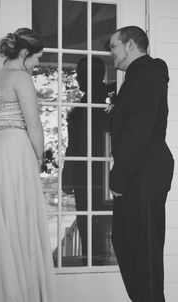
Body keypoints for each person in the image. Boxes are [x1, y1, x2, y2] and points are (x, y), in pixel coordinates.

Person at [0, 28, 57, 302]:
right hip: (15, 153)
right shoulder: (21, 77)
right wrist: (38, 159)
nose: (37, 64)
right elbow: (34, 124)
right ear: (24, 53)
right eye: (36, 58)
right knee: (21, 224)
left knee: (2, 228)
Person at [109, 25, 174, 302]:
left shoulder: (145, 77)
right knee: (128, 249)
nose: (111, 53)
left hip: (143, 178)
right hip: (138, 176)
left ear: (131, 45)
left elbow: (139, 134)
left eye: (114, 46)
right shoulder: (138, 77)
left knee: (144, 261)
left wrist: (118, 180)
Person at [62, 56, 116, 264]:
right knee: (86, 223)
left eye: (81, 73)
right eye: (78, 73)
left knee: (98, 224)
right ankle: (91, 262)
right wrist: (68, 173)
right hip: (84, 173)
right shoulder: (84, 102)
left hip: (101, 173)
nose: (77, 78)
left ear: (94, 74)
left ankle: (101, 263)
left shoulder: (109, 97)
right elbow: (73, 143)